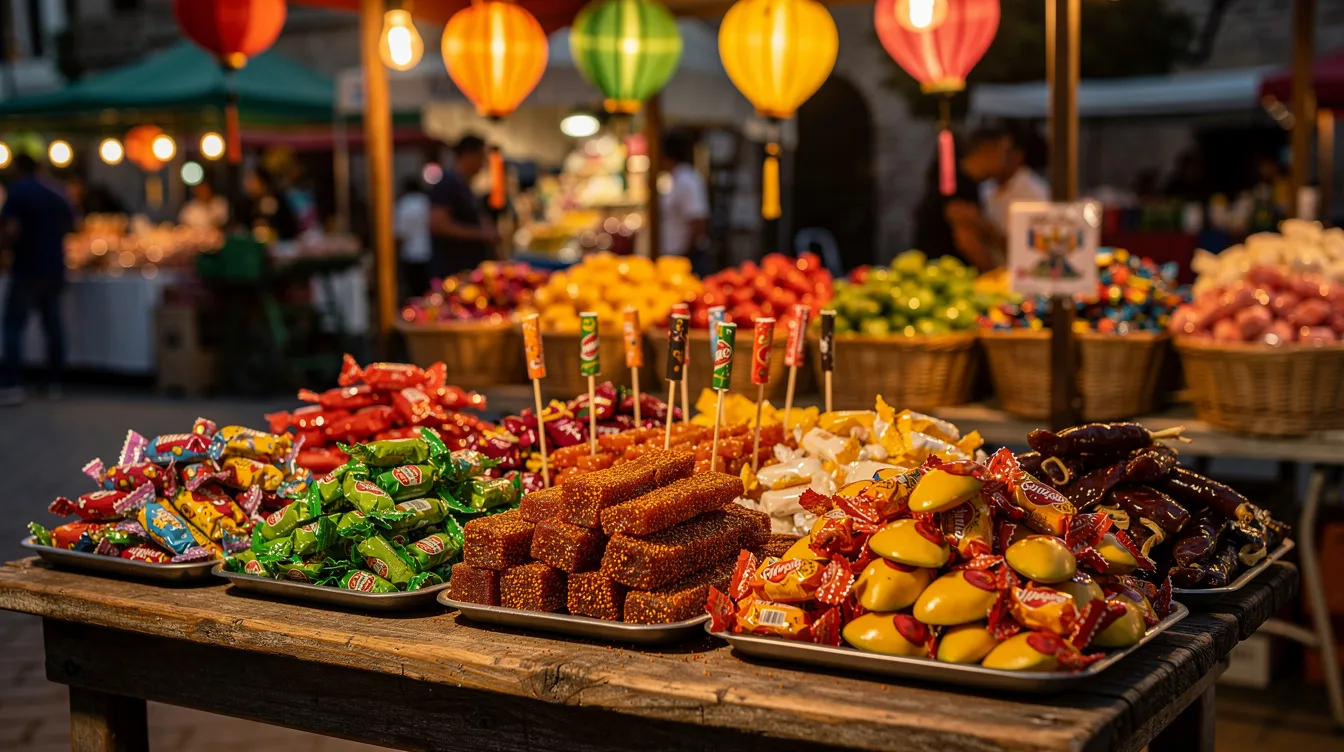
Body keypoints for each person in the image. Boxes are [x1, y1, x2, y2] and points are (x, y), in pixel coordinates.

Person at [0, 154, 76, 405]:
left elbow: (11, 229)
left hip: (27, 267)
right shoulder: (54, 192)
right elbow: (72, 224)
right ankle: (55, 381)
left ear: (18, 168)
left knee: (13, 326)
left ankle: (12, 383)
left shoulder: (19, 192)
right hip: (54, 267)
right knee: (52, 325)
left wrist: (8, 248)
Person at [912, 128, 1012, 271]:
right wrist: (995, 276)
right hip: (942, 275)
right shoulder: (954, 186)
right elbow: (967, 241)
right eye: (1004, 152)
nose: (1007, 160)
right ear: (988, 151)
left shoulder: (970, 184)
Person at [429, 135, 499, 278]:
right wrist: (481, 235)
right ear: (469, 155)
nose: (483, 163)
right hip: (452, 272)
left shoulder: (464, 185)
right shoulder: (448, 183)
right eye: (481, 157)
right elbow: (437, 224)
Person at [981, 128, 1049, 239]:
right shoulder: (986, 186)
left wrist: (985, 228)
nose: (990, 158)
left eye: (999, 152)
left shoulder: (1035, 193)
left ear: (1017, 155)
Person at [659, 131, 710, 274]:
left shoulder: (687, 180)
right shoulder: (673, 179)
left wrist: (686, 255)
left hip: (685, 257)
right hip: (674, 256)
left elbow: (698, 221)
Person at [395, 177, 432, 300]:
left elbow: (400, 233)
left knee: (414, 294)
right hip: (429, 252)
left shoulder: (403, 204)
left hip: (411, 254)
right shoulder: (426, 202)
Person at [241, 168, 299, 240]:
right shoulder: (248, 203)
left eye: (253, 181)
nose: (248, 185)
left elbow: (290, 227)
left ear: (263, 183)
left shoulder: (278, 199)